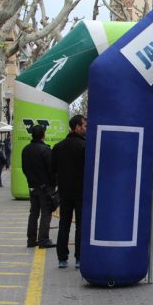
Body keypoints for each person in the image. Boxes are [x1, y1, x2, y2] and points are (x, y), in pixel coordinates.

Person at [52, 115, 87, 269]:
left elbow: (53, 170)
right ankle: (79, 258)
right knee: (80, 225)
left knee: (64, 225)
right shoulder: (85, 146)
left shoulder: (58, 147)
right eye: (84, 125)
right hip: (81, 192)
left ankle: (62, 258)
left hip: (64, 192)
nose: (86, 128)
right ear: (77, 127)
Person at [22, 125, 56, 249]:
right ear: (43, 135)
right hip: (45, 187)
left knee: (33, 213)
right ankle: (43, 239)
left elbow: (25, 169)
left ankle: (31, 240)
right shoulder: (45, 150)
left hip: (32, 186)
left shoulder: (26, 149)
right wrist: (53, 184)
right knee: (46, 212)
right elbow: (52, 170)